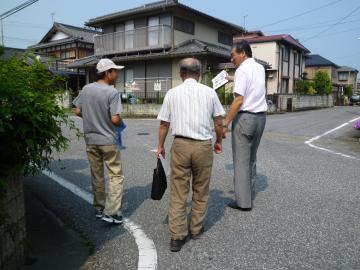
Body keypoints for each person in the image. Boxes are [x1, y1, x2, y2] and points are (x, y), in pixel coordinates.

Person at [156, 58, 225, 252]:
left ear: (181, 74)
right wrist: (218, 141)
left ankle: (177, 237)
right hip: (203, 146)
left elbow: (164, 124)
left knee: (179, 191)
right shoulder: (210, 93)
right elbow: (219, 123)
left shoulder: (172, 93)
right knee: (201, 189)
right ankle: (195, 229)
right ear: (199, 74)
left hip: (180, 144)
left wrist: (160, 146)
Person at [73, 58, 125, 224]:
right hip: (108, 139)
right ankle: (111, 212)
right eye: (115, 71)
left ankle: (99, 207)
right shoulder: (112, 92)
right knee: (115, 175)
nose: (117, 74)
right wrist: (120, 121)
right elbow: (115, 119)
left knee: (97, 175)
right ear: (107, 73)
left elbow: (77, 110)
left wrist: (91, 118)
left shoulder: (86, 89)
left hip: (91, 140)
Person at [223, 40, 267, 211]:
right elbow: (251, 82)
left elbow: (239, 100)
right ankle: (249, 193)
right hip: (260, 118)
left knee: (241, 161)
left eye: (233, 55)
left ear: (243, 53)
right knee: (251, 158)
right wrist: (230, 78)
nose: (231, 58)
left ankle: (243, 202)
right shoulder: (259, 68)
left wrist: (226, 122)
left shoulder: (242, 70)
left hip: (245, 119)